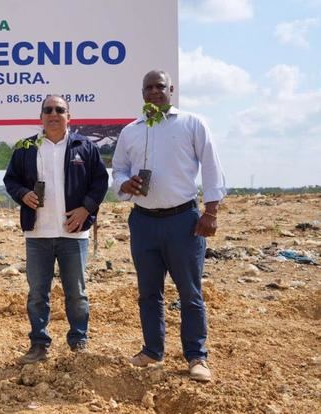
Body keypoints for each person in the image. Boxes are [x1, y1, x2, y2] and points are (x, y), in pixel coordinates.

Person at [112, 70, 227, 382]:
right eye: (148, 87)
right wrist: (126, 184)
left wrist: (211, 211)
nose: (154, 91)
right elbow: (118, 170)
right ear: (142, 93)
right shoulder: (131, 131)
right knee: (149, 292)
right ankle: (152, 350)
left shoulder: (191, 123)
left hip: (183, 221)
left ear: (171, 89)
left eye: (159, 86)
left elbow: (212, 166)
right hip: (143, 222)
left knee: (190, 293)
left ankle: (196, 357)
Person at [4, 95, 109, 364]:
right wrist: (23, 193)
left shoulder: (83, 146)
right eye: (48, 110)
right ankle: (39, 344)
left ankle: (78, 342)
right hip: (38, 233)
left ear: (68, 117)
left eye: (59, 110)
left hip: (73, 233)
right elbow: (11, 179)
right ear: (40, 116)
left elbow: (100, 181)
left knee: (76, 293)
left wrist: (86, 208)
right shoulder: (26, 147)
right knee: (38, 293)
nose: (53, 114)